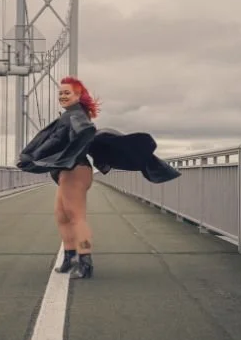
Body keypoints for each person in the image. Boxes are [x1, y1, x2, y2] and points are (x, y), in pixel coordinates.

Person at [17, 76, 180, 280]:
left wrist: (64, 155)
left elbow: (86, 131)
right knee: (62, 215)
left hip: (75, 169)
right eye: (60, 93)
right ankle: (69, 258)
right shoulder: (70, 115)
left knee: (76, 217)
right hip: (70, 170)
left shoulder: (75, 116)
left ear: (78, 95)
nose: (62, 96)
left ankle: (85, 262)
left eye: (67, 93)